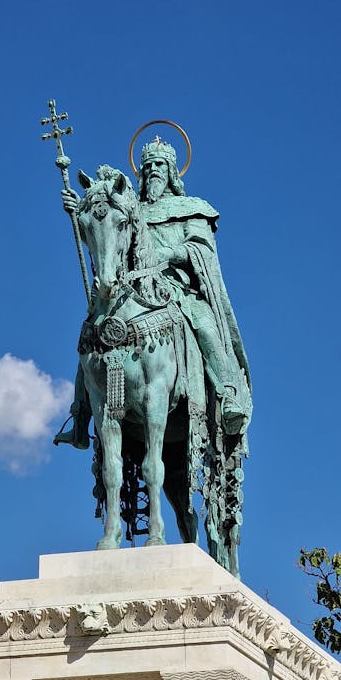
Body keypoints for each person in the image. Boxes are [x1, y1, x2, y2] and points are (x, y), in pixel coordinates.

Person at [54, 137, 251, 448]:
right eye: (147, 167)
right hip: (131, 290)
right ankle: (79, 418)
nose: (152, 171)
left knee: (204, 323)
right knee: (92, 333)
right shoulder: (130, 206)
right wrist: (79, 212)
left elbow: (201, 249)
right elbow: (105, 238)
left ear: (172, 171)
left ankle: (227, 395)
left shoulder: (192, 209)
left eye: (159, 165)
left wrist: (170, 254)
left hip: (178, 289)